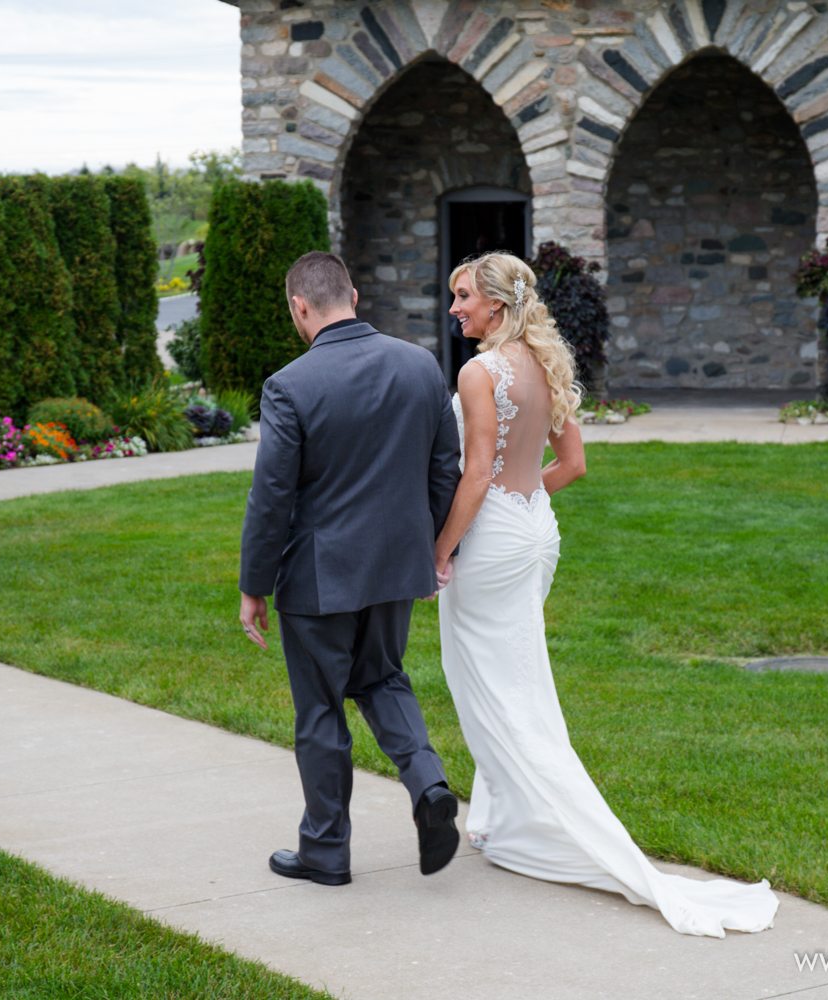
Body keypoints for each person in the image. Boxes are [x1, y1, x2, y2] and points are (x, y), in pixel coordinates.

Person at [434, 251, 780, 937]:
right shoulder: (545, 364)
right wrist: (520, 501)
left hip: (494, 542)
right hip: (537, 534)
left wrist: (440, 550)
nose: (455, 308)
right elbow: (573, 465)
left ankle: (533, 818)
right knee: (519, 680)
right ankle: (500, 816)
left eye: (464, 296)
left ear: (496, 304)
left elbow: (474, 478)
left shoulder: (480, 372)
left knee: (487, 685)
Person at [239, 251, 463, 886]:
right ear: (355, 295)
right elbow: (444, 468)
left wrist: (254, 585)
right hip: (397, 565)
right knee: (383, 677)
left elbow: (272, 496)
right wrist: (433, 548)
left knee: (319, 710)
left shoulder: (289, 385)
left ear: (299, 307)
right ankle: (429, 784)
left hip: (320, 576)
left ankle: (325, 850)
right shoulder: (421, 366)